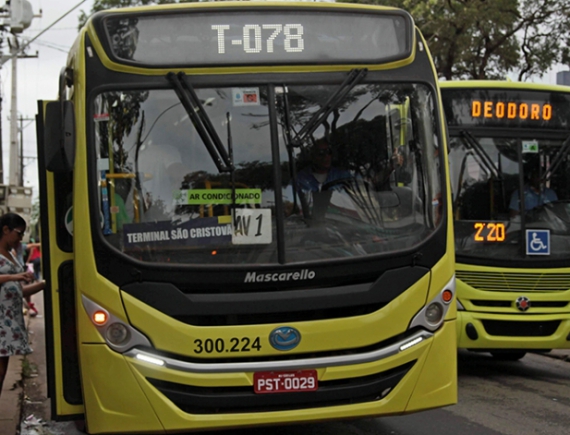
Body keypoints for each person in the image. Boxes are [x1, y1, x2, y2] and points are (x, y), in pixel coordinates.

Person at [0, 213, 45, 398]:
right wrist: (15, 276)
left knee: (2, 374)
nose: (20, 238)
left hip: (8, 323)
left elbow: (18, 291)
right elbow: (12, 281)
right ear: (5, 230)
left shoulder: (10, 254)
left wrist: (43, 284)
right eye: (19, 233)